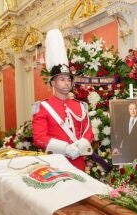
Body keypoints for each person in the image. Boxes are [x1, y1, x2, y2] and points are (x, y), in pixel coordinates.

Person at [33, 29, 94, 171]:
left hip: (78, 161)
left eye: (68, 79)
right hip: (55, 163)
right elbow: (39, 137)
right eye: (61, 79)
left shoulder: (80, 106)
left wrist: (79, 146)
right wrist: (66, 148)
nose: (66, 83)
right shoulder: (42, 106)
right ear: (53, 83)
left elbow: (88, 131)